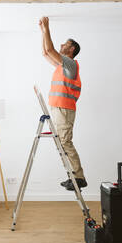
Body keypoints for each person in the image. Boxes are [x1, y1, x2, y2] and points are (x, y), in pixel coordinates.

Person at [38, 16, 87, 191]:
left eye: (65, 44)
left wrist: (48, 28)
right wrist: (43, 32)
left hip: (64, 109)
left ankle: (79, 177)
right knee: (62, 142)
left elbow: (50, 49)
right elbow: (46, 52)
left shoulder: (71, 64)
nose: (61, 46)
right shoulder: (61, 66)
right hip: (58, 109)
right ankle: (73, 175)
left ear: (71, 49)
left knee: (65, 142)